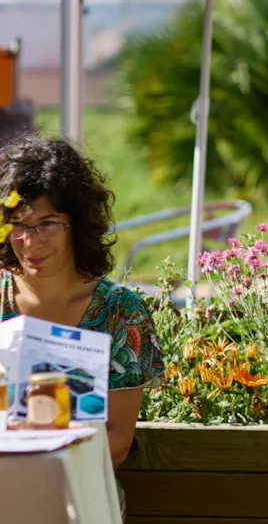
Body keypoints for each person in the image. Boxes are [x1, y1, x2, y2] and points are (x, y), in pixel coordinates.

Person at [0, 136, 165, 518]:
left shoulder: (121, 313)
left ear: (77, 223)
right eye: (18, 224)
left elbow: (119, 442)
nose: (30, 241)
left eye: (47, 224)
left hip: (78, 497)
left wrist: (40, 456)